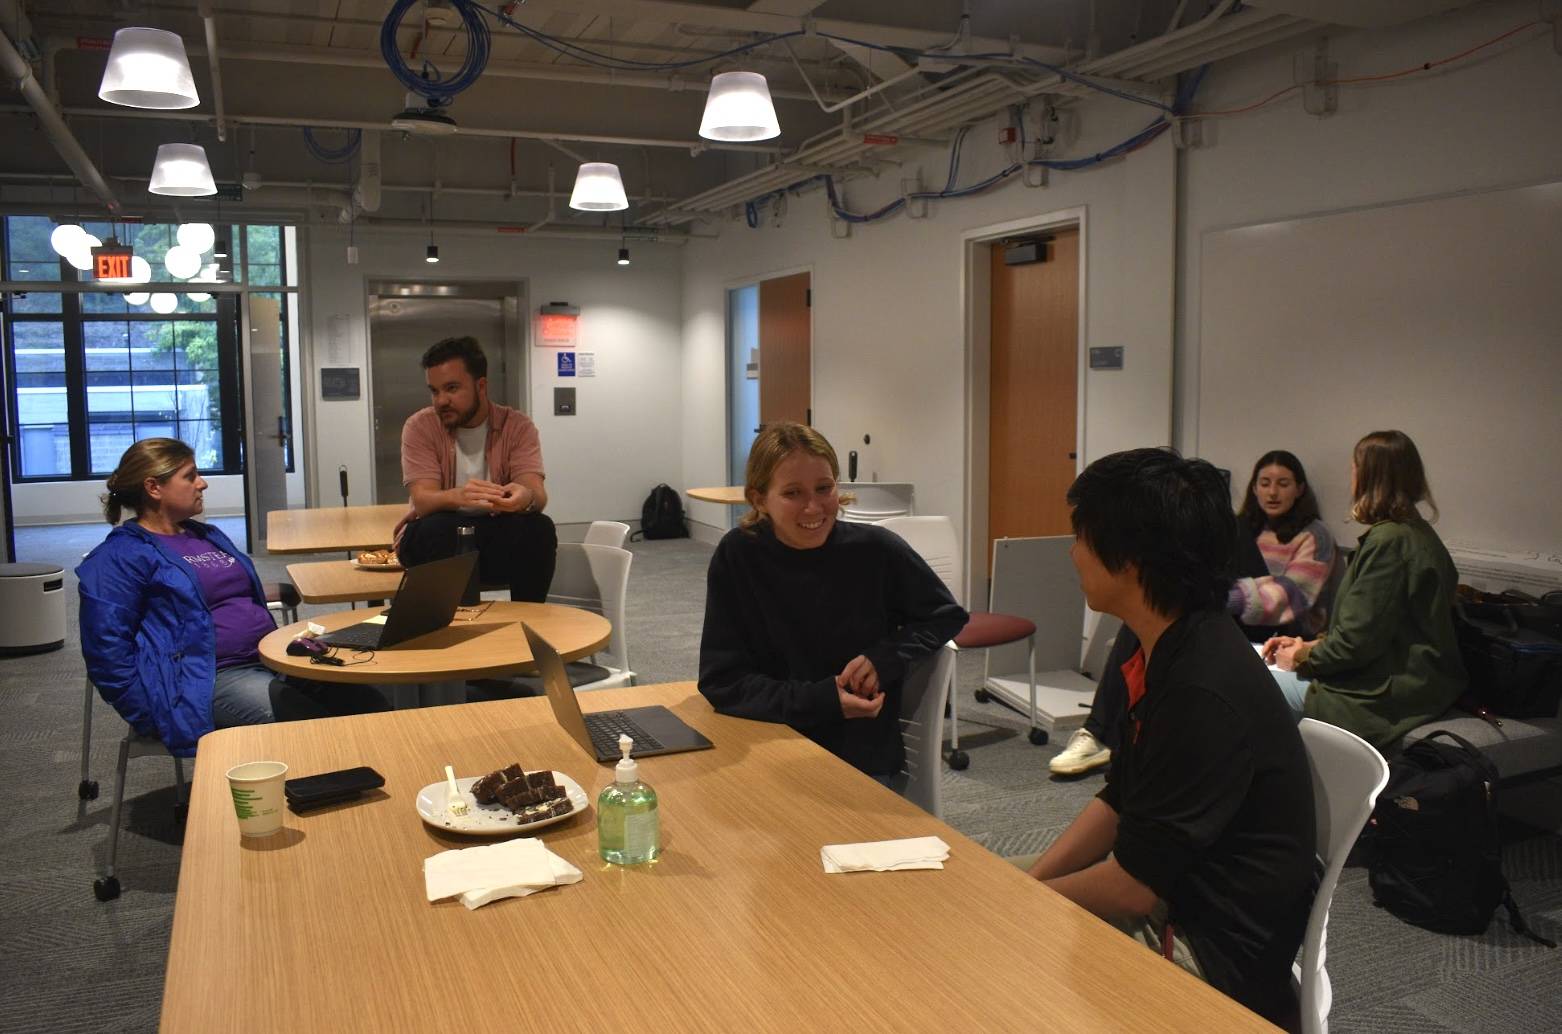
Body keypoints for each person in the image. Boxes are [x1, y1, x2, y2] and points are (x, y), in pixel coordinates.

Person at [1026, 448, 1315, 1026]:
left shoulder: (1200, 686)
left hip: (1208, 952)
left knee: (991, 963)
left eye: (1080, 536)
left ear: (1128, 561)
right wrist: (1030, 884)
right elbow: (1119, 799)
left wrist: (1019, 903)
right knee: (985, 891)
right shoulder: (1159, 641)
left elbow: (1132, 890)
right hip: (1169, 893)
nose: (1072, 552)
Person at [77, 439, 389, 757]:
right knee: (308, 728)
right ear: (154, 487)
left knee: (372, 706)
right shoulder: (120, 556)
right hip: (210, 677)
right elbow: (106, 652)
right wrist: (153, 713)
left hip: (273, 658)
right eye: (190, 476)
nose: (203, 483)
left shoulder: (206, 536)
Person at [697, 422, 968, 785]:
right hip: (764, 739)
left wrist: (886, 657)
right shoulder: (738, 555)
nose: (813, 507)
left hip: (858, 753)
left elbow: (946, 616)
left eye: (824, 488)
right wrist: (823, 700)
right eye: (793, 493)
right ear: (759, 499)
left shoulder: (876, 550)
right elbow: (722, 682)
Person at [1052, 448, 1339, 776]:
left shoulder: (1314, 535)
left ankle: (1100, 730)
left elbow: (1291, 597)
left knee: (1157, 607)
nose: (1272, 492)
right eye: (1265, 483)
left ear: (1300, 489)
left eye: (1283, 483)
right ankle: (1104, 730)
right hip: (1231, 613)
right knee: (1148, 613)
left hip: (1279, 627)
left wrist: (1203, 594)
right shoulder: (1249, 527)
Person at [1264, 430, 1466, 748]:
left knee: (1251, 686)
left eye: (1355, 469)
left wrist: (1301, 656)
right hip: (1407, 679)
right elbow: (1374, 630)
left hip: (1387, 692)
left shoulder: (1390, 542)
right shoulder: (1415, 534)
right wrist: (1308, 643)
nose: (1352, 478)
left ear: (1370, 477)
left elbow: (1355, 646)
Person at [396, 336, 557, 602]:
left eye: (451, 388)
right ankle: (450, 624)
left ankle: (530, 622)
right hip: (436, 538)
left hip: (494, 535)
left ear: (481, 386)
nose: (441, 400)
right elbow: (423, 501)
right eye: (434, 391)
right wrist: (459, 496)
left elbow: (537, 495)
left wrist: (524, 496)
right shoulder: (420, 426)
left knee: (538, 527)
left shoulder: (517, 426)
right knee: (437, 528)